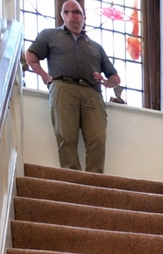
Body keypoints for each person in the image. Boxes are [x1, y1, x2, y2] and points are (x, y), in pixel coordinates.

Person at [26, 0, 122, 173]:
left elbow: (115, 77)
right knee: (66, 136)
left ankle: (94, 181)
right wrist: (45, 77)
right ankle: (72, 179)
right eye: (67, 12)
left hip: (92, 92)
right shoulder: (49, 35)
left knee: (98, 138)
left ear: (84, 17)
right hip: (63, 88)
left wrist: (106, 82)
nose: (73, 15)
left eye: (77, 12)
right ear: (62, 16)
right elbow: (31, 56)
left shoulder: (96, 47)